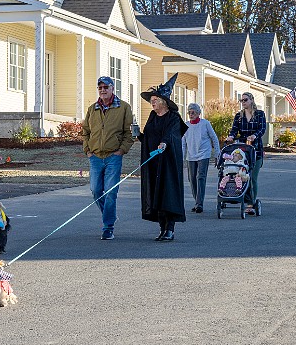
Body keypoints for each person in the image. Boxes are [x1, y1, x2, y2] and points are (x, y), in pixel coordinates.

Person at [82, 76, 134, 240]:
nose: (103, 90)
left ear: (113, 88)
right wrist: (87, 150)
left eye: (106, 87)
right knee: (96, 190)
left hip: (113, 156)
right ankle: (109, 215)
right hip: (95, 156)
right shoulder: (92, 109)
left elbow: (129, 133)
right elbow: (86, 132)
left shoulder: (124, 108)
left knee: (111, 192)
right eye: (100, 87)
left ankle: (108, 226)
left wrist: (121, 150)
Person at [139, 73, 187, 241]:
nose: (152, 102)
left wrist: (164, 143)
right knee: (155, 192)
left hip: (168, 162)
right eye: (151, 99)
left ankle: (170, 229)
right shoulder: (152, 116)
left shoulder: (173, 117)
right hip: (153, 161)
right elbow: (148, 136)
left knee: (168, 192)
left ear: (164, 102)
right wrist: (138, 135)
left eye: (155, 99)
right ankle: (162, 228)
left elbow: (172, 134)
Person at [225, 92, 266, 215]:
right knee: (242, 176)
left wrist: (254, 135)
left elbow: (262, 129)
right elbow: (234, 130)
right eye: (241, 101)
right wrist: (231, 136)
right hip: (242, 151)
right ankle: (243, 197)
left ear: (251, 100)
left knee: (252, 177)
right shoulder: (239, 116)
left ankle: (251, 203)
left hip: (256, 149)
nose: (243, 102)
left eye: (245, 100)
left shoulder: (260, 114)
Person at [182, 103, 220, 213]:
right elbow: (183, 143)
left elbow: (214, 138)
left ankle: (199, 204)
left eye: (193, 112)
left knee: (201, 177)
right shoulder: (186, 125)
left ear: (199, 113)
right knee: (192, 178)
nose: (191, 114)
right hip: (191, 155)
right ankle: (197, 201)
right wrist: (181, 157)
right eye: (189, 112)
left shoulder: (205, 124)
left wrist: (217, 153)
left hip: (204, 154)